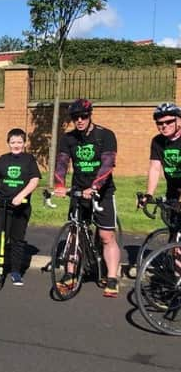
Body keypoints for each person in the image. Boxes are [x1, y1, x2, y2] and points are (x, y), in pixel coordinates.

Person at [53, 98, 120, 298]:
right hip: (78, 190)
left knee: (106, 236)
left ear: (90, 115)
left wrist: (95, 186)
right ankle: (70, 274)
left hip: (102, 191)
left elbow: (108, 164)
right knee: (74, 232)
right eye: (76, 118)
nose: (80, 120)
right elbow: (62, 163)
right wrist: (59, 184)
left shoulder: (105, 135)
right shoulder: (68, 138)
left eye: (84, 116)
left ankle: (112, 277)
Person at [0, 128, 41, 287]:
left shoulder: (29, 160)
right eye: (13, 142)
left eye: (19, 142)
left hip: (21, 207)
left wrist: (22, 195)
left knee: (17, 239)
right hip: (1, 204)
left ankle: (16, 270)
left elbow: (34, 180)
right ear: (8, 143)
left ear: (25, 143)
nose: (16, 145)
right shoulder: (3, 159)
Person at [138, 102, 181, 229]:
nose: (164, 126)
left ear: (179, 120)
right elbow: (155, 168)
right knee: (175, 233)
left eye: (169, 122)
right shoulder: (158, 141)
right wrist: (149, 194)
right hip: (173, 190)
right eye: (160, 123)